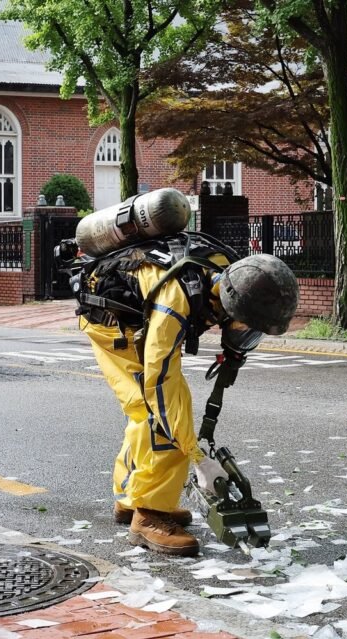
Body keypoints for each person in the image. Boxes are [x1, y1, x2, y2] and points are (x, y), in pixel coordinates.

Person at [73, 189, 299, 556]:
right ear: (230, 306)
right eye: (248, 327)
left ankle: (130, 497)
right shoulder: (176, 301)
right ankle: (148, 515)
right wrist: (198, 458)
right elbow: (159, 383)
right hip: (114, 327)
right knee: (161, 416)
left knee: (150, 413)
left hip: (137, 317)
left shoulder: (231, 271)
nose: (246, 336)